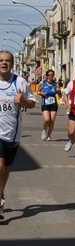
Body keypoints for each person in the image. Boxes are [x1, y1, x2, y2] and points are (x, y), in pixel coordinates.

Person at [0, 51, 37, 219]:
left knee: (6, 168)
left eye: (7, 60)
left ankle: (1, 194)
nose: (4, 63)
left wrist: (22, 101)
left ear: (12, 64)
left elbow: (32, 103)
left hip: (12, 133)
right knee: (0, 166)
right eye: (1, 60)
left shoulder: (19, 82)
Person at [37, 69, 61, 141]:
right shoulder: (43, 83)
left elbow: (60, 95)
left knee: (52, 120)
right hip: (45, 103)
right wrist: (41, 93)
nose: (50, 76)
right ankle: (44, 130)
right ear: (47, 76)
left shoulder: (56, 84)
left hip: (53, 103)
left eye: (52, 75)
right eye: (49, 75)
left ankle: (49, 135)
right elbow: (38, 91)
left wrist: (59, 92)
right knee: (47, 119)